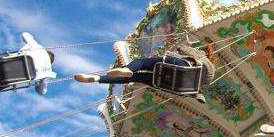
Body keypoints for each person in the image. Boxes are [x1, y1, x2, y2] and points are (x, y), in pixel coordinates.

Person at [74, 41, 209, 103]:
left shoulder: (201, 58)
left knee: (142, 63)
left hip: (179, 66)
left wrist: (182, 46)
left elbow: (184, 49)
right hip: (168, 84)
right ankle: (99, 78)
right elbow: (197, 96)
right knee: (135, 78)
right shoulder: (200, 84)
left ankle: (125, 70)